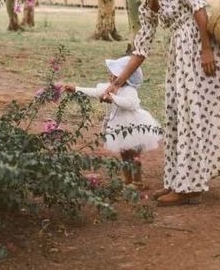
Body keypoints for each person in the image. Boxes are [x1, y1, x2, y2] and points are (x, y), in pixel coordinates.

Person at [105, 0, 220, 206]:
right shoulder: (147, 6)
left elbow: (198, 5)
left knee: (193, 116)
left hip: (201, 49)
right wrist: (118, 81)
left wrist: (206, 49)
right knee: (179, 116)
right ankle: (179, 181)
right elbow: (141, 48)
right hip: (181, 56)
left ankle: (192, 188)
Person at [64, 56, 161, 190]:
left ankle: (137, 181)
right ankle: (127, 178)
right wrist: (76, 89)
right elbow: (96, 92)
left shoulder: (129, 91)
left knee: (134, 154)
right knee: (124, 153)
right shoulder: (110, 88)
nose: (110, 77)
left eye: (114, 75)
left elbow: (130, 104)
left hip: (134, 126)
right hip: (120, 126)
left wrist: (113, 98)